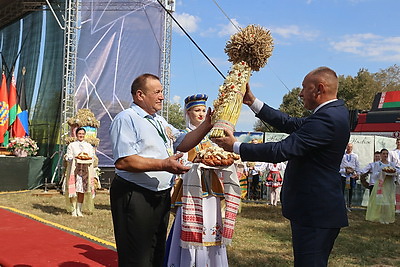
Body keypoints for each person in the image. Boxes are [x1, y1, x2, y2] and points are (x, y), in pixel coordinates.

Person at [212, 67, 349, 267]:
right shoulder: (331, 113)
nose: (300, 93)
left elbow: (282, 150)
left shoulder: (328, 118)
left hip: (315, 212)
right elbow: (290, 123)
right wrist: (252, 102)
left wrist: (235, 146)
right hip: (315, 210)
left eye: (304, 88)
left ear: (319, 89)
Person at [109, 74, 213, 267]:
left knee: (156, 253)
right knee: (137, 257)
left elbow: (183, 142)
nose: (162, 97)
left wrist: (208, 124)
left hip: (160, 195)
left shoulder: (159, 121)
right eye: (157, 92)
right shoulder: (126, 119)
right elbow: (124, 161)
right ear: (140, 95)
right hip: (135, 194)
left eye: (162, 92)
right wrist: (164, 165)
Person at [166, 94, 229, 267]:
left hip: (210, 189)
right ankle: (187, 260)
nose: (200, 114)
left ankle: (210, 261)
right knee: (189, 222)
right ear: (188, 113)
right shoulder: (184, 137)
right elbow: (180, 160)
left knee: (211, 222)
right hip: (191, 188)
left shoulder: (212, 138)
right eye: (196, 110)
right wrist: (197, 162)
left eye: (203, 110)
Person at [64, 127, 96, 217]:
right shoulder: (72, 145)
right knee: (73, 190)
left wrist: (89, 158)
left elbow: (92, 156)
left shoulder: (88, 146)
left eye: (82, 134)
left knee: (82, 190)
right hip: (74, 170)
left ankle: (79, 209)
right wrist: (70, 158)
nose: (81, 135)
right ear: (76, 134)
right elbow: (68, 156)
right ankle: (73, 209)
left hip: (85, 171)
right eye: (79, 134)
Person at [365, 149, 399, 224]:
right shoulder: (377, 164)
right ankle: (379, 216)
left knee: (388, 200)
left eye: (386, 154)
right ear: (380, 155)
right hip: (381, 184)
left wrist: (393, 173)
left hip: (389, 184)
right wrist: (382, 172)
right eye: (383, 154)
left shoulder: (391, 164)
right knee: (380, 200)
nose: (385, 155)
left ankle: (387, 217)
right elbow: (375, 175)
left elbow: (396, 171)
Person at [339, 143, 360, 210]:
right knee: (341, 190)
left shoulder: (355, 156)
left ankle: (349, 204)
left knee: (350, 190)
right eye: (348, 147)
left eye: (350, 147)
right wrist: (344, 170)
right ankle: (341, 204)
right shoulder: (342, 155)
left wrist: (357, 173)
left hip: (351, 176)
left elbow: (357, 166)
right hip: (343, 175)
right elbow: (338, 167)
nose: (349, 148)